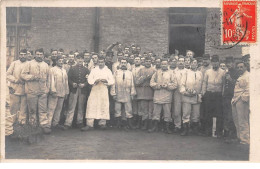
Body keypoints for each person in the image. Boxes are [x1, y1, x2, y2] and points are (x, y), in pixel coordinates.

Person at [21, 48, 50, 134]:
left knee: (43, 109)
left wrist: (47, 89)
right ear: (35, 55)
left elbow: (48, 78)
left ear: (43, 55)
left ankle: (43, 125)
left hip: (42, 91)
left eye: (41, 54)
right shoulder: (29, 64)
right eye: (37, 54)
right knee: (32, 110)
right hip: (31, 90)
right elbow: (23, 75)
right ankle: (33, 126)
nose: (39, 56)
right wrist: (32, 77)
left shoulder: (45, 65)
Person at [81, 56, 114, 131]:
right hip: (95, 90)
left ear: (104, 62)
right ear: (97, 62)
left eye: (102, 62)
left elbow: (112, 80)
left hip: (103, 90)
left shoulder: (108, 71)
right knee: (91, 105)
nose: (101, 63)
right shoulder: (94, 70)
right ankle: (89, 124)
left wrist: (106, 81)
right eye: (99, 62)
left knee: (103, 105)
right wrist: (94, 81)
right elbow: (89, 79)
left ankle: (102, 123)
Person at [62, 53, 90, 130]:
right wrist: (72, 83)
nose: (80, 60)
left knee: (81, 107)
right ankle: (68, 123)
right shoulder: (72, 68)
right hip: (74, 90)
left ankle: (79, 122)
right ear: (76, 60)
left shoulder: (86, 70)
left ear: (83, 60)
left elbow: (89, 80)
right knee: (71, 106)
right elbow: (68, 79)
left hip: (82, 90)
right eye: (78, 58)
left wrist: (84, 84)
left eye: (81, 59)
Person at [149, 58, 177, 134]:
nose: (164, 65)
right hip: (158, 95)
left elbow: (175, 84)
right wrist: (158, 85)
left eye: (165, 64)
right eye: (162, 64)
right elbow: (151, 83)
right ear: (160, 64)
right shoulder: (157, 73)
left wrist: (167, 86)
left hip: (167, 95)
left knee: (167, 113)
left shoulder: (171, 73)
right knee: (156, 112)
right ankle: (155, 127)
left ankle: (167, 128)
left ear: (168, 64)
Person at [202, 55, 225, 137]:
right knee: (208, 113)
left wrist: (222, 94)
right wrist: (204, 93)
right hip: (209, 93)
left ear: (219, 62)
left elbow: (223, 84)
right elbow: (204, 83)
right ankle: (208, 131)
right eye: (213, 62)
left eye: (216, 62)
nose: (215, 63)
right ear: (211, 63)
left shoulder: (223, 72)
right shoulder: (208, 71)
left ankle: (218, 132)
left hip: (218, 95)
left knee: (219, 113)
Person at [111, 58, 136, 130]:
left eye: (125, 63)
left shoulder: (130, 73)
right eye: (122, 63)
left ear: (127, 64)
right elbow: (113, 84)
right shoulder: (116, 72)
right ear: (120, 64)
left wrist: (132, 93)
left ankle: (128, 124)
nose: (123, 64)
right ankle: (118, 124)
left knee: (128, 109)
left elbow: (132, 84)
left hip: (127, 93)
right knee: (117, 109)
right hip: (118, 92)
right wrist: (113, 93)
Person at [180, 58, 203, 136]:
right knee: (186, 113)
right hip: (187, 96)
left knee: (196, 113)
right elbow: (181, 84)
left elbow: (202, 84)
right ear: (189, 64)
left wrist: (200, 93)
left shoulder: (200, 73)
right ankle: (185, 129)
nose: (193, 64)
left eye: (195, 62)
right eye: (192, 63)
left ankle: (195, 129)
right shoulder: (186, 73)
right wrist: (185, 92)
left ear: (197, 64)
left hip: (196, 96)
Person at [46, 55, 69, 132]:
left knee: (59, 109)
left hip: (62, 92)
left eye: (62, 61)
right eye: (59, 61)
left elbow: (66, 82)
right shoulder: (52, 70)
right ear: (56, 61)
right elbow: (51, 80)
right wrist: (52, 90)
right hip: (54, 92)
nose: (61, 62)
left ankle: (55, 123)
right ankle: (48, 124)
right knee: (51, 108)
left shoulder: (64, 70)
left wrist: (66, 92)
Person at [6, 49, 28, 125]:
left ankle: (22, 124)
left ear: (27, 55)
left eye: (24, 54)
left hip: (25, 90)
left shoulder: (29, 64)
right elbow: (7, 74)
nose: (23, 56)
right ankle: (11, 124)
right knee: (13, 108)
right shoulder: (14, 63)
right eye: (21, 54)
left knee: (23, 109)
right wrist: (16, 80)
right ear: (19, 55)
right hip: (15, 89)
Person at [135, 56, 156, 130]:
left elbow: (156, 81)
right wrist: (143, 78)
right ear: (144, 62)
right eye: (146, 61)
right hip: (143, 93)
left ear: (151, 62)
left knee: (151, 110)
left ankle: (150, 125)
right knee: (144, 110)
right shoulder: (141, 70)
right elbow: (136, 82)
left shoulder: (154, 70)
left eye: (149, 61)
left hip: (151, 93)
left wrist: (151, 79)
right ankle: (144, 124)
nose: (148, 63)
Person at [231, 61, 250, 145]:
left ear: (246, 67)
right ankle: (240, 137)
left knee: (243, 120)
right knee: (237, 120)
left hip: (242, 100)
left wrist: (242, 98)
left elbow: (248, 90)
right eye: (238, 67)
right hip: (236, 100)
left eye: (241, 67)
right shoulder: (241, 76)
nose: (240, 69)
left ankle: (245, 139)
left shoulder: (248, 76)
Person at [222, 57, 239, 142]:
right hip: (226, 97)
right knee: (226, 115)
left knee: (232, 116)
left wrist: (230, 79)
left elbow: (238, 84)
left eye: (230, 63)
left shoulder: (237, 72)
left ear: (233, 63)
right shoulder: (227, 72)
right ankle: (227, 133)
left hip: (233, 97)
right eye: (227, 63)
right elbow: (224, 85)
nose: (228, 64)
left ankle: (231, 134)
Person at [172, 56, 187, 133]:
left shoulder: (187, 71)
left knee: (185, 110)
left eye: (182, 61)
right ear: (177, 62)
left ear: (184, 62)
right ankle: (177, 125)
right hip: (177, 92)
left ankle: (185, 126)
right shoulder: (174, 71)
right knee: (177, 110)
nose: (181, 62)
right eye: (179, 61)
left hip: (185, 92)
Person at [198, 54, 212, 133]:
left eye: (206, 59)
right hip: (200, 92)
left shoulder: (210, 69)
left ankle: (208, 129)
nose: (205, 61)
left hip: (208, 92)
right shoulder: (200, 68)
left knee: (208, 111)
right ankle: (201, 128)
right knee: (201, 111)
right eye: (204, 59)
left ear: (209, 60)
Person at [131, 56, 143, 128]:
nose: (137, 61)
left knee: (140, 106)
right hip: (133, 88)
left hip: (140, 89)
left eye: (138, 59)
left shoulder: (142, 68)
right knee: (134, 105)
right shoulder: (132, 68)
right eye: (136, 59)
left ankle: (139, 122)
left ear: (140, 61)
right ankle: (134, 122)